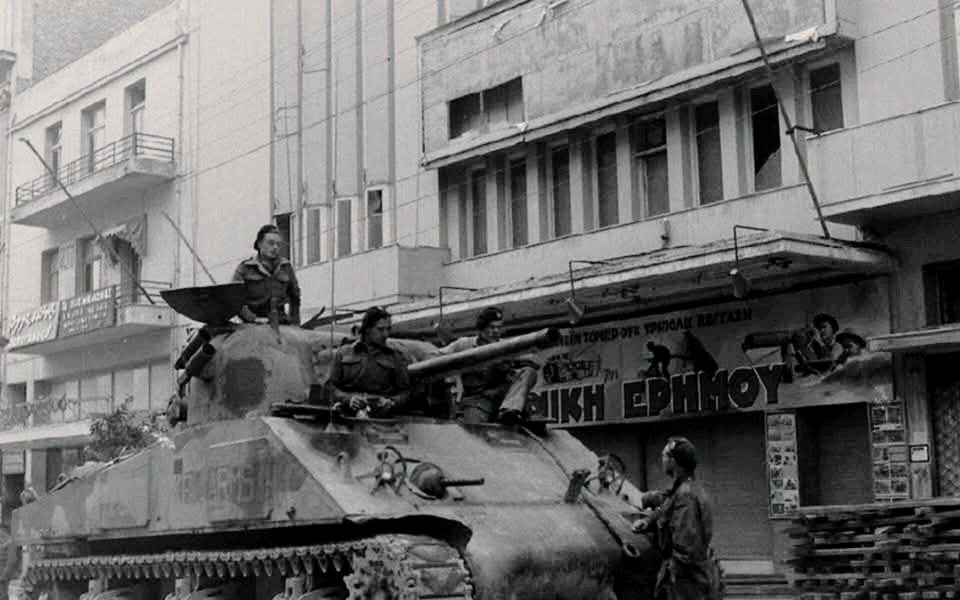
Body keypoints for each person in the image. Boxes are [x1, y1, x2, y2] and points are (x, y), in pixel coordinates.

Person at [632, 437, 723, 600]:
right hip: (686, 580)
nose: (662, 459)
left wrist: (669, 577)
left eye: (665, 456)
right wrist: (648, 521)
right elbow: (667, 510)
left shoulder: (685, 496)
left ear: (674, 461)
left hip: (686, 584)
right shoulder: (682, 490)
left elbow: (686, 549)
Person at [435, 306, 540, 424]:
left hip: (502, 398)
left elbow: (534, 361)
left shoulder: (506, 346)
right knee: (473, 432)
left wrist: (510, 363)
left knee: (528, 372)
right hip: (477, 401)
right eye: (492, 327)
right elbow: (436, 356)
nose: (496, 331)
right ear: (481, 329)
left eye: (499, 327)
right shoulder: (464, 345)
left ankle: (510, 410)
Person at [324, 307, 411, 418]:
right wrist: (348, 399)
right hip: (346, 415)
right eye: (380, 329)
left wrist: (391, 402)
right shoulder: (344, 353)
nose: (386, 334)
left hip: (380, 418)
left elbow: (405, 392)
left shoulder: (395, 357)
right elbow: (329, 387)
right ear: (367, 329)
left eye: (388, 329)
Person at [232, 224, 301, 326]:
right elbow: (234, 299)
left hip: (281, 324)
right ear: (259, 244)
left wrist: (295, 324)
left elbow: (295, 297)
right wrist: (252, 319)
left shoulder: (286, 267)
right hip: (253, 326)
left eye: (278, 244)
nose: (275, 247)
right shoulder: (245, 268)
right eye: (271, 243)